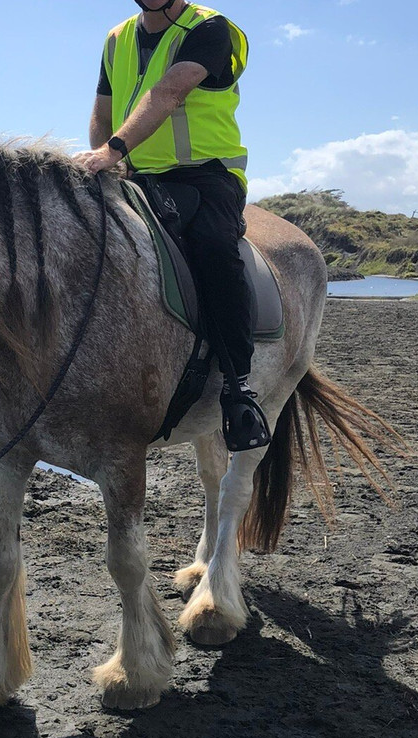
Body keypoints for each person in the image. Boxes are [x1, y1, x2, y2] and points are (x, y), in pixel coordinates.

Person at [74, 0, 267, 449]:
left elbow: (170, 92)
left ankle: (237, 385)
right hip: (136, 175)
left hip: (206, 175)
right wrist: (107, 157)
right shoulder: (117, 38)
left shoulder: (211, 28)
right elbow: (103, 111)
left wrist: (112, 151)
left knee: (214, 247)